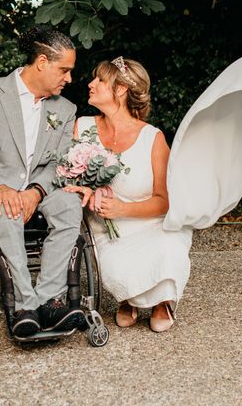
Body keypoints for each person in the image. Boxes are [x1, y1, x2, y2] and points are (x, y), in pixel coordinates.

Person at [0, 26, 86, 337]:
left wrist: (36, 192)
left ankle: (50, 300)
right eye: (64, 70)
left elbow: (59, 162)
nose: (69, 79)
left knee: (68, 205)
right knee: (7, 210)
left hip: (39, 187)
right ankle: (25, 306)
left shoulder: (64, 109)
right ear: (41, 62)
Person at [64, 57, 192, 332]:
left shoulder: (153, 139)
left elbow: (165, 202)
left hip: (152, 224)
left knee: (168, 248)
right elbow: (67, 175)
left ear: (120, 89)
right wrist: (83, 187)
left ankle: (161, 302)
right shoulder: (82, 126)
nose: (90, 83)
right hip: (108, 231)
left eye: (99, 79)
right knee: (118, 264)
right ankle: (130, 297)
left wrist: (122, 209)